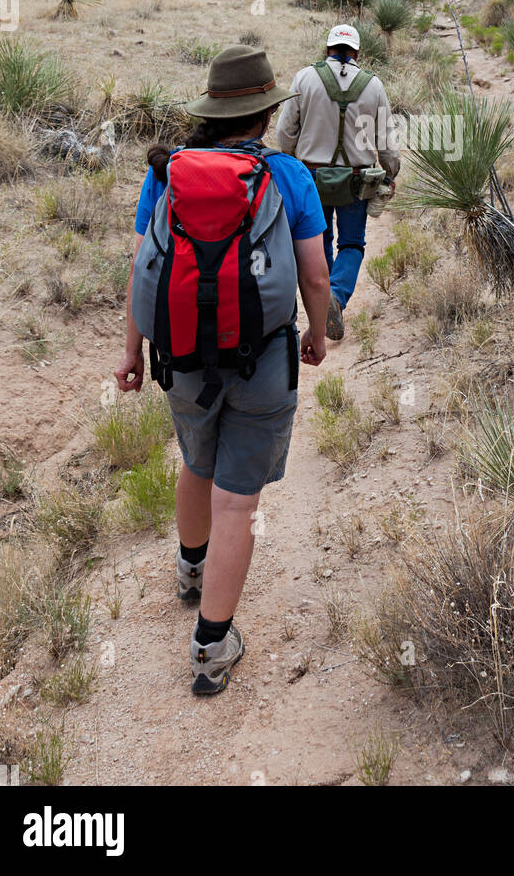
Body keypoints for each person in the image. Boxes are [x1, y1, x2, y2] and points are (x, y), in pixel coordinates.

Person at [114, 45, 331, 696]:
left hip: (179, 356)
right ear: (265, 114)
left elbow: (142, 269)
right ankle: (211, 648)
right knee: (237, 499)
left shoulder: (168, 173)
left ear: (211, 109)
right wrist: (317, 335)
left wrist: (130, 352)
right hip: (261, 358)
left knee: (196, 463)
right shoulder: (289, 176)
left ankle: (189, 571)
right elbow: (316, 274)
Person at [276, 23, 400, 340]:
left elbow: (284, 132)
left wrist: (292, 160)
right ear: (357, 52)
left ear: (328, 49)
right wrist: (391, 171)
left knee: (318, 242)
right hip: (356, 181)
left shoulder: (305, 78)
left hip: (311, 177)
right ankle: (337, 296)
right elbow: (385, 141)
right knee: (351, 244)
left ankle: (326, 302)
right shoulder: (373, 86)